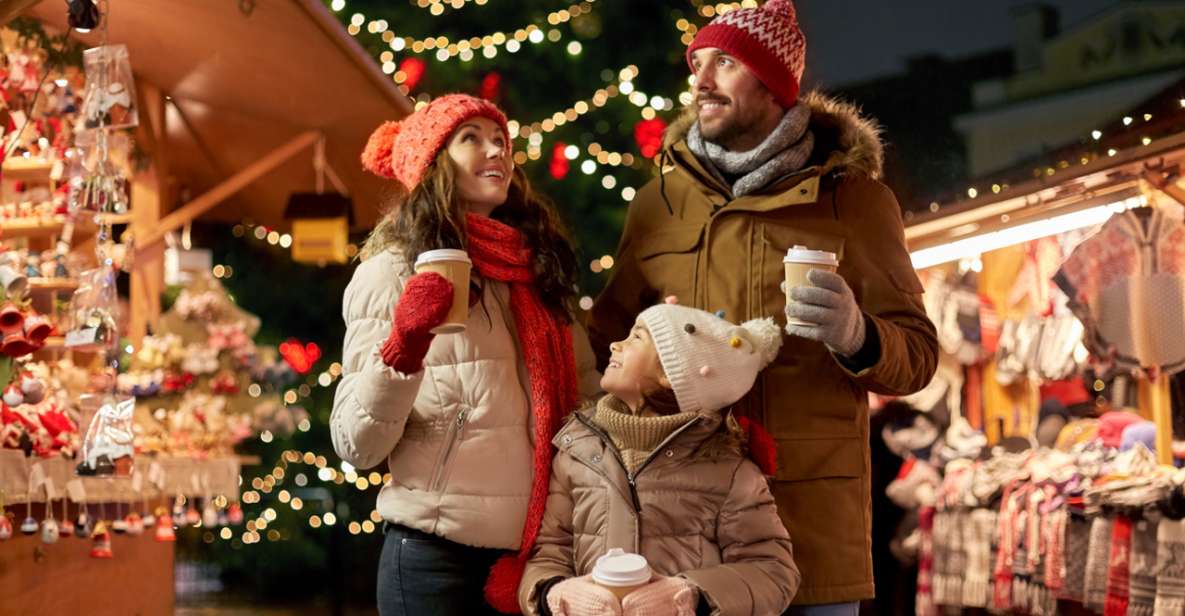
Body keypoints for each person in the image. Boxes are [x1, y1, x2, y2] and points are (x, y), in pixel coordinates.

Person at [589, 1, 939, 612]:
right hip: (686, 535)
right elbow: (603, 350)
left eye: (724, 63)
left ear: (774, 82)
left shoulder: (854, 202)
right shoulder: (657, 203)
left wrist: (857, 335)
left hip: (809, 530)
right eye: (697, 63)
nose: (700, 80)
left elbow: (918, 357)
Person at [332, 94, 601, 616]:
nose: (495, 150)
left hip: (539, 558)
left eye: (500, 139)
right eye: (471, 138)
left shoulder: (539, 269)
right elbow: (356, 444)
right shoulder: (390, 271)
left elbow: (586, 410)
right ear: (433, 163)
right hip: (436, 556)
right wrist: (404, 347)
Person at [520, 303, 798, 616]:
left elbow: (773, 571)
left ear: (670, 372)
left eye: (635, 338)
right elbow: (550, 552)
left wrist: (691, 595)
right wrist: (556, 594)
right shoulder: (577, 452)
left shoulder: (729, 470)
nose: (615, 344)